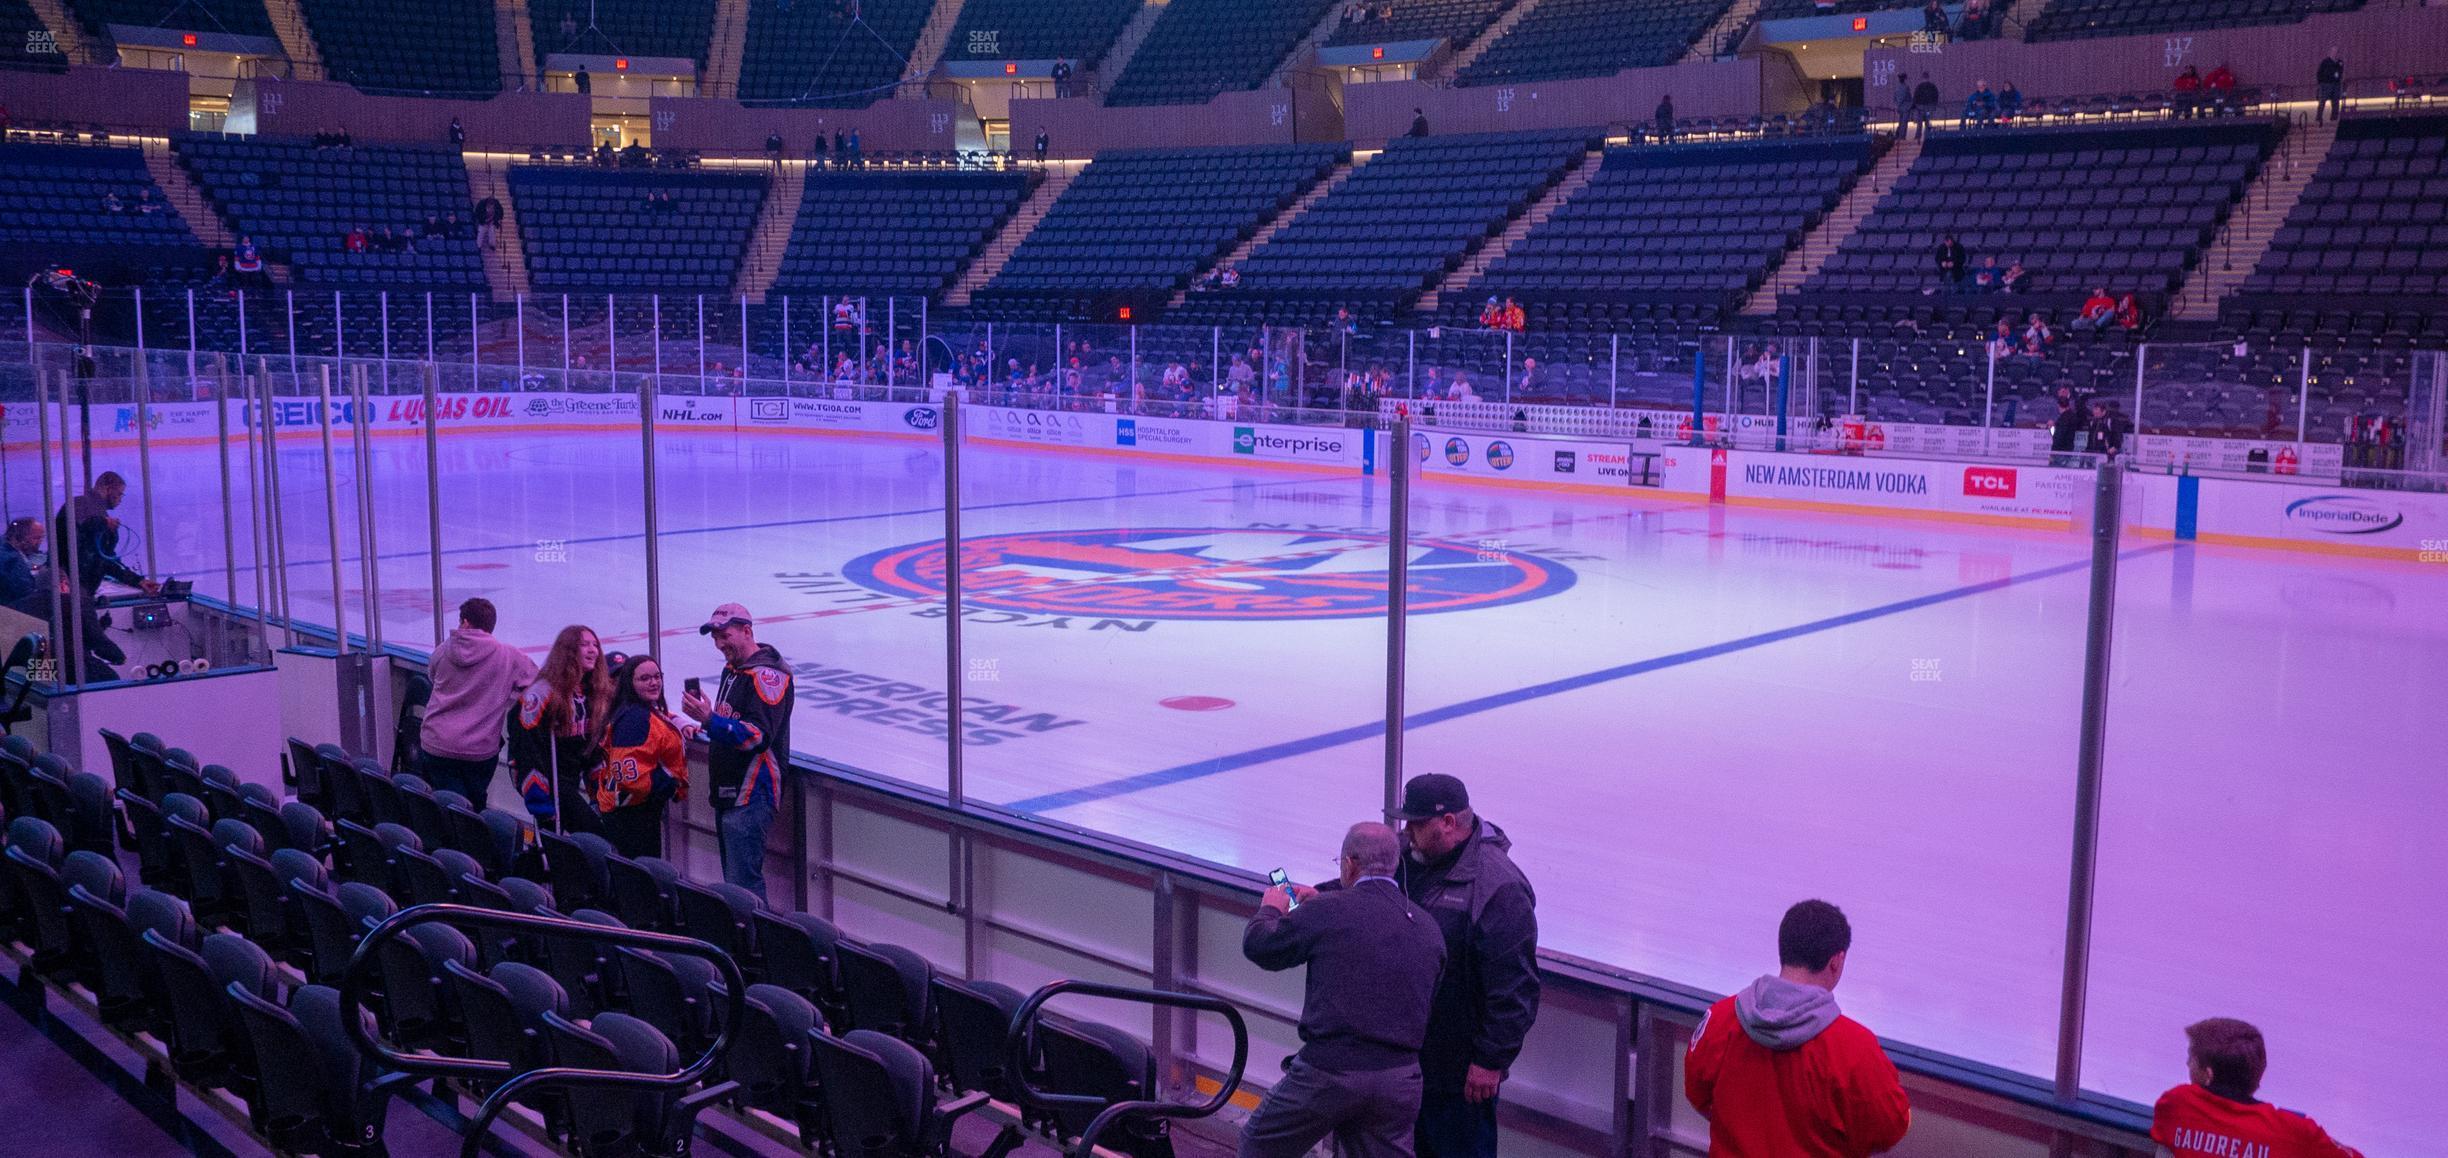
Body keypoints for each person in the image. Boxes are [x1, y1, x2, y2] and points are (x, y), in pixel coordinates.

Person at [1241, 822, 1446, 1158]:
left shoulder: (1328, 910)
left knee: (1259, 1145)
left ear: (1349, 863)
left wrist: (1272, 907)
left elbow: (1260, 945)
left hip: (1329, 1072)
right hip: (1400, 1079)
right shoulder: (1428, 927)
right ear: (1394, 865)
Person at [1685, 901, 1911, 1158]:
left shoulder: (1720, 1018)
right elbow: (1888, 1129)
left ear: (1784, 948)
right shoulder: (1855, 1049)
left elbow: (1698, 1095)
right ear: (1836, 961)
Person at [1391, 774, 1538, 1158]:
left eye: (1417, 823)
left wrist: (1490, 1061)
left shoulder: (1498, 888)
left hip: (1459, 1075)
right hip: (1410, 1060)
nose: (1408, 832)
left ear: (1449, 823)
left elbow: (1514, 987)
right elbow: (1372, 893)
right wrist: (1316, 899)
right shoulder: (1413, 860)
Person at [680, 603, 794, 899]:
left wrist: (709, 719)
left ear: (746, 631)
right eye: (715, 637)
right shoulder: (734, 669)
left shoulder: (769, 675)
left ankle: (756, 945)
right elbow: (731, 721)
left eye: (724, 636)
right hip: (730, 789)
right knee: (734, 885)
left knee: (744, 886)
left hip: (752, 792)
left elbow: (758, 736)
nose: (719, 644)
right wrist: (705, 723)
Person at [2151, 1019, 2364, 1158]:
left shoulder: (2176, 1103)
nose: (2187, 1064)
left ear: (2209, 1074)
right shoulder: (2295, 1131)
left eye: (2191, 1059)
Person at [419, 598, 536, 804]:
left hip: (436, 742)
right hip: (479, 750)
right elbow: (537, 683)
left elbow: (432, 674)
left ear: (465, 622)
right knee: (472, 805)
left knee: (447, 804)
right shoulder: (508, 656)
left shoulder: (443, 650)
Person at [510, 624, 610, 833]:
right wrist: (541, 804)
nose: (593, 650)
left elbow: (591, 751)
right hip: (552, 786)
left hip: (569, 783)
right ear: (568, 651)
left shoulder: (592, 693)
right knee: (596, 839)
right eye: (584, 645)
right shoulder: (541, 695)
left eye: (595, 645)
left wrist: (598, 796)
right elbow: (529, 752)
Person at [594, 655, 693, 858]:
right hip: (632, 816)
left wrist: (683, 722)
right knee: (640, 877)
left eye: (657, 676)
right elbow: (630, 776)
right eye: (645, 678)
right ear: (630, 683)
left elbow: (661, 719)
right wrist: (670, 782)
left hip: (632, 811)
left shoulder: (637, 710)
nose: (654, 682)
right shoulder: (635, 719)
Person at [0, 517, 44, 616]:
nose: (40, 542)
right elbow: (25, 593)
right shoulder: (12, 560)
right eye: (36, 538)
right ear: (20, 537)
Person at [2049, 389, 2087, 466]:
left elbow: (2057, 436)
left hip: (2060, 451)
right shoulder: (2072, 416)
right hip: (2068, 449)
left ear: (2058, 405)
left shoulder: (2063, 419)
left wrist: (2051, 428)